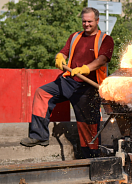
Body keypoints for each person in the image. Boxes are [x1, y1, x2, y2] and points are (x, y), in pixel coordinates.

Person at [20, 7, 114, 158]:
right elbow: (64, 51)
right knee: (42, 93)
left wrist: (85, 68)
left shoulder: (105, 39)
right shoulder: (75, 36)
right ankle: (39, 135)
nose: (86, 24)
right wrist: (59, 56)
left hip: (89, 87)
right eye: (84, 21)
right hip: (68, 81)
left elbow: (101, 60)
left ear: (97, 21)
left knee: (88, 126)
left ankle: (91, 158)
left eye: (90, 21)